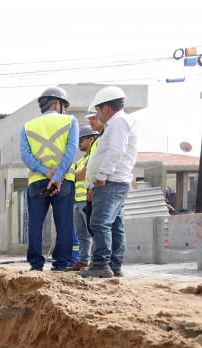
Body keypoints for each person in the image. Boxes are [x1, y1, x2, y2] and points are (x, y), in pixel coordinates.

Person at [80, 86, 138, 279]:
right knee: (114, 224)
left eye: (97, 110)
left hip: (110, 181)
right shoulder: (122, 121)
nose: (97, 115)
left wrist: (102, 175)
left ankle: (100, 264)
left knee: (100, 223)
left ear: (105, 108)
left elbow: (116, 150)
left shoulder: (118, 121)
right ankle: (114, 265)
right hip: (117, 181)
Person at [20, 86, 79, 271]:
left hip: (37, 180)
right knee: (64, 223)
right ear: (57, 103)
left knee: (35, 223)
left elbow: (26, 155)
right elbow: (71, 151)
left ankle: (36, 265)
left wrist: (45, 172)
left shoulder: (28, 126)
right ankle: (61, 264)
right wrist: (58, 174)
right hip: (64, 181)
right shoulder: (70, 121)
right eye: (64, 105)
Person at [66, 126, 100, 271]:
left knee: (93, 232)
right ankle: (83, 261)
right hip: (77, 202)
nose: (79, 143)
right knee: (81, 235)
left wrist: (70, 175)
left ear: (91, 139)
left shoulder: (93, 157)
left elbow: (80, 176)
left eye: (81, 140)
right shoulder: (81, 161)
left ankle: (95, 262)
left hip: (88, 201)